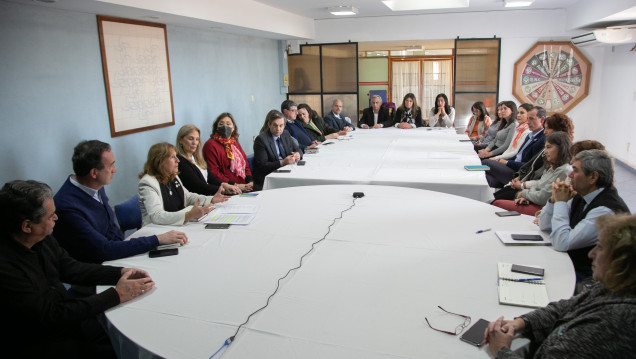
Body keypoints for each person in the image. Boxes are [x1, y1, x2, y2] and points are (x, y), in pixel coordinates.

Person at [0, 180, 154, 358]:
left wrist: (119, 272)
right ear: (27, 226)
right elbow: (51, 316)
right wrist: (116, 294)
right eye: (51, 216)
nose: (56, 218)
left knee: (130, 328)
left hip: (67, 318)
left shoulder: (41, 238)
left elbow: (71, 268)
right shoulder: (6, 268)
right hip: (42, 340)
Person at [484, 213, 636, 359]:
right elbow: (568, 305)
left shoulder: (607, 327)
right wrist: (521, 323)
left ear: (622, 262)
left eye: (600, 247)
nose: (591, 254)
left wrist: (501, 349)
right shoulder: (615, 286)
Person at [53, 140, 187, 264]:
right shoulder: (67, 208)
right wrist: (157, 239)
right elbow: (103, 249)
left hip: (116, 254)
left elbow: (112, 231)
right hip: (96, 271)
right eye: (111, 165)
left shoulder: (95, 185)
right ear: (94, 173)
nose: (115, 170)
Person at [539, 149, 630, 283]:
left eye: (575, 170)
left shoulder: (605, 210)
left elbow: (562, 242)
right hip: (569, 262)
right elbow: (545, 226)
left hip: (588, 276)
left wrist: (560, 202)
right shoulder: (583, 195)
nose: (569, 175)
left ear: (593, 177)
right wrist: (553, 201)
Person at [139, 142, 228, 226]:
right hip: (156, 230)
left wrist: (211, 199)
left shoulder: (172, 176)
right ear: (160, 161)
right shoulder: (148, 183)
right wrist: (188, 215)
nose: (178, 160)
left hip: (174, 226)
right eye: (172, 157)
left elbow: (187, 197)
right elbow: (157, 216)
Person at [493, 113, 576, 202]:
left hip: (530, 191)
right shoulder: (553, 158)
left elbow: (543, 194)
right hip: (527, 185)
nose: (544, 131)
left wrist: (523, 188)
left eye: (548, 128)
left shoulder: (561, 164)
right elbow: (539, 181)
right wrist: (522, 183)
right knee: (494, 194)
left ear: (559, 130)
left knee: (496, 200)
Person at [491, 132, 572, 216]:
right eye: (545, 147)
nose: (545, 151)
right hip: (532, 200)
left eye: (549, 147)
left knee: (497, 203)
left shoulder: (564, 171)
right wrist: (526, 196)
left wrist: (524, 193)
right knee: (495, 197)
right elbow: (538, 185)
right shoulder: (552, 166)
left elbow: (543, 198)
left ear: (561, 148)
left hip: (542, 209)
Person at [483, 106, 546, 188]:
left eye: (531, 119)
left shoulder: (542, 139)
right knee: (487, 178)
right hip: (513, 164)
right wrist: (504, 161)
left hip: (519, 172)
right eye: (528, 119)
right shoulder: (530, 135)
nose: (528, 122)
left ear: (541, 119)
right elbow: (517, 155)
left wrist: (507, 162)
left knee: (486, 163)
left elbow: (530, 166)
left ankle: (504, 186)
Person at [177, 125, 242, 196]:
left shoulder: (198, 158)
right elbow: (198, 186)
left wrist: (225, 185)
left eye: (197, 139)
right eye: (190, 139)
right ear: (180, 140)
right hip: (200, 199)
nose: (194, 143)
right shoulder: (180, 161)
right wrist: (223, 190)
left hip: (211, 195)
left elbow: (211, 178)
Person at [202, 113, 254, 192]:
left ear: (233, 127)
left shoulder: (235, 143)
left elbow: (245, 164)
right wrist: (234, 185)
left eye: (228, 124)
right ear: (216, 127)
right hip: (227, 188)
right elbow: (214, 172)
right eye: (221, 124)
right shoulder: (210, 145)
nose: (225, 126)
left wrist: (250, 181)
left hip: (244, 185)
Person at [253, 110, 302, 191]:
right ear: (269, 125)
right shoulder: (261, 140)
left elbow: (297, 149)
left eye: (281, 125)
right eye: (275, 125)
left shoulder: (285, 134)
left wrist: (297, 154)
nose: (278, 129)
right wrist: (283, 162)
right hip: (270, 176)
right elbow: (262, 165)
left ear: (285, 125)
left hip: (288, 171)